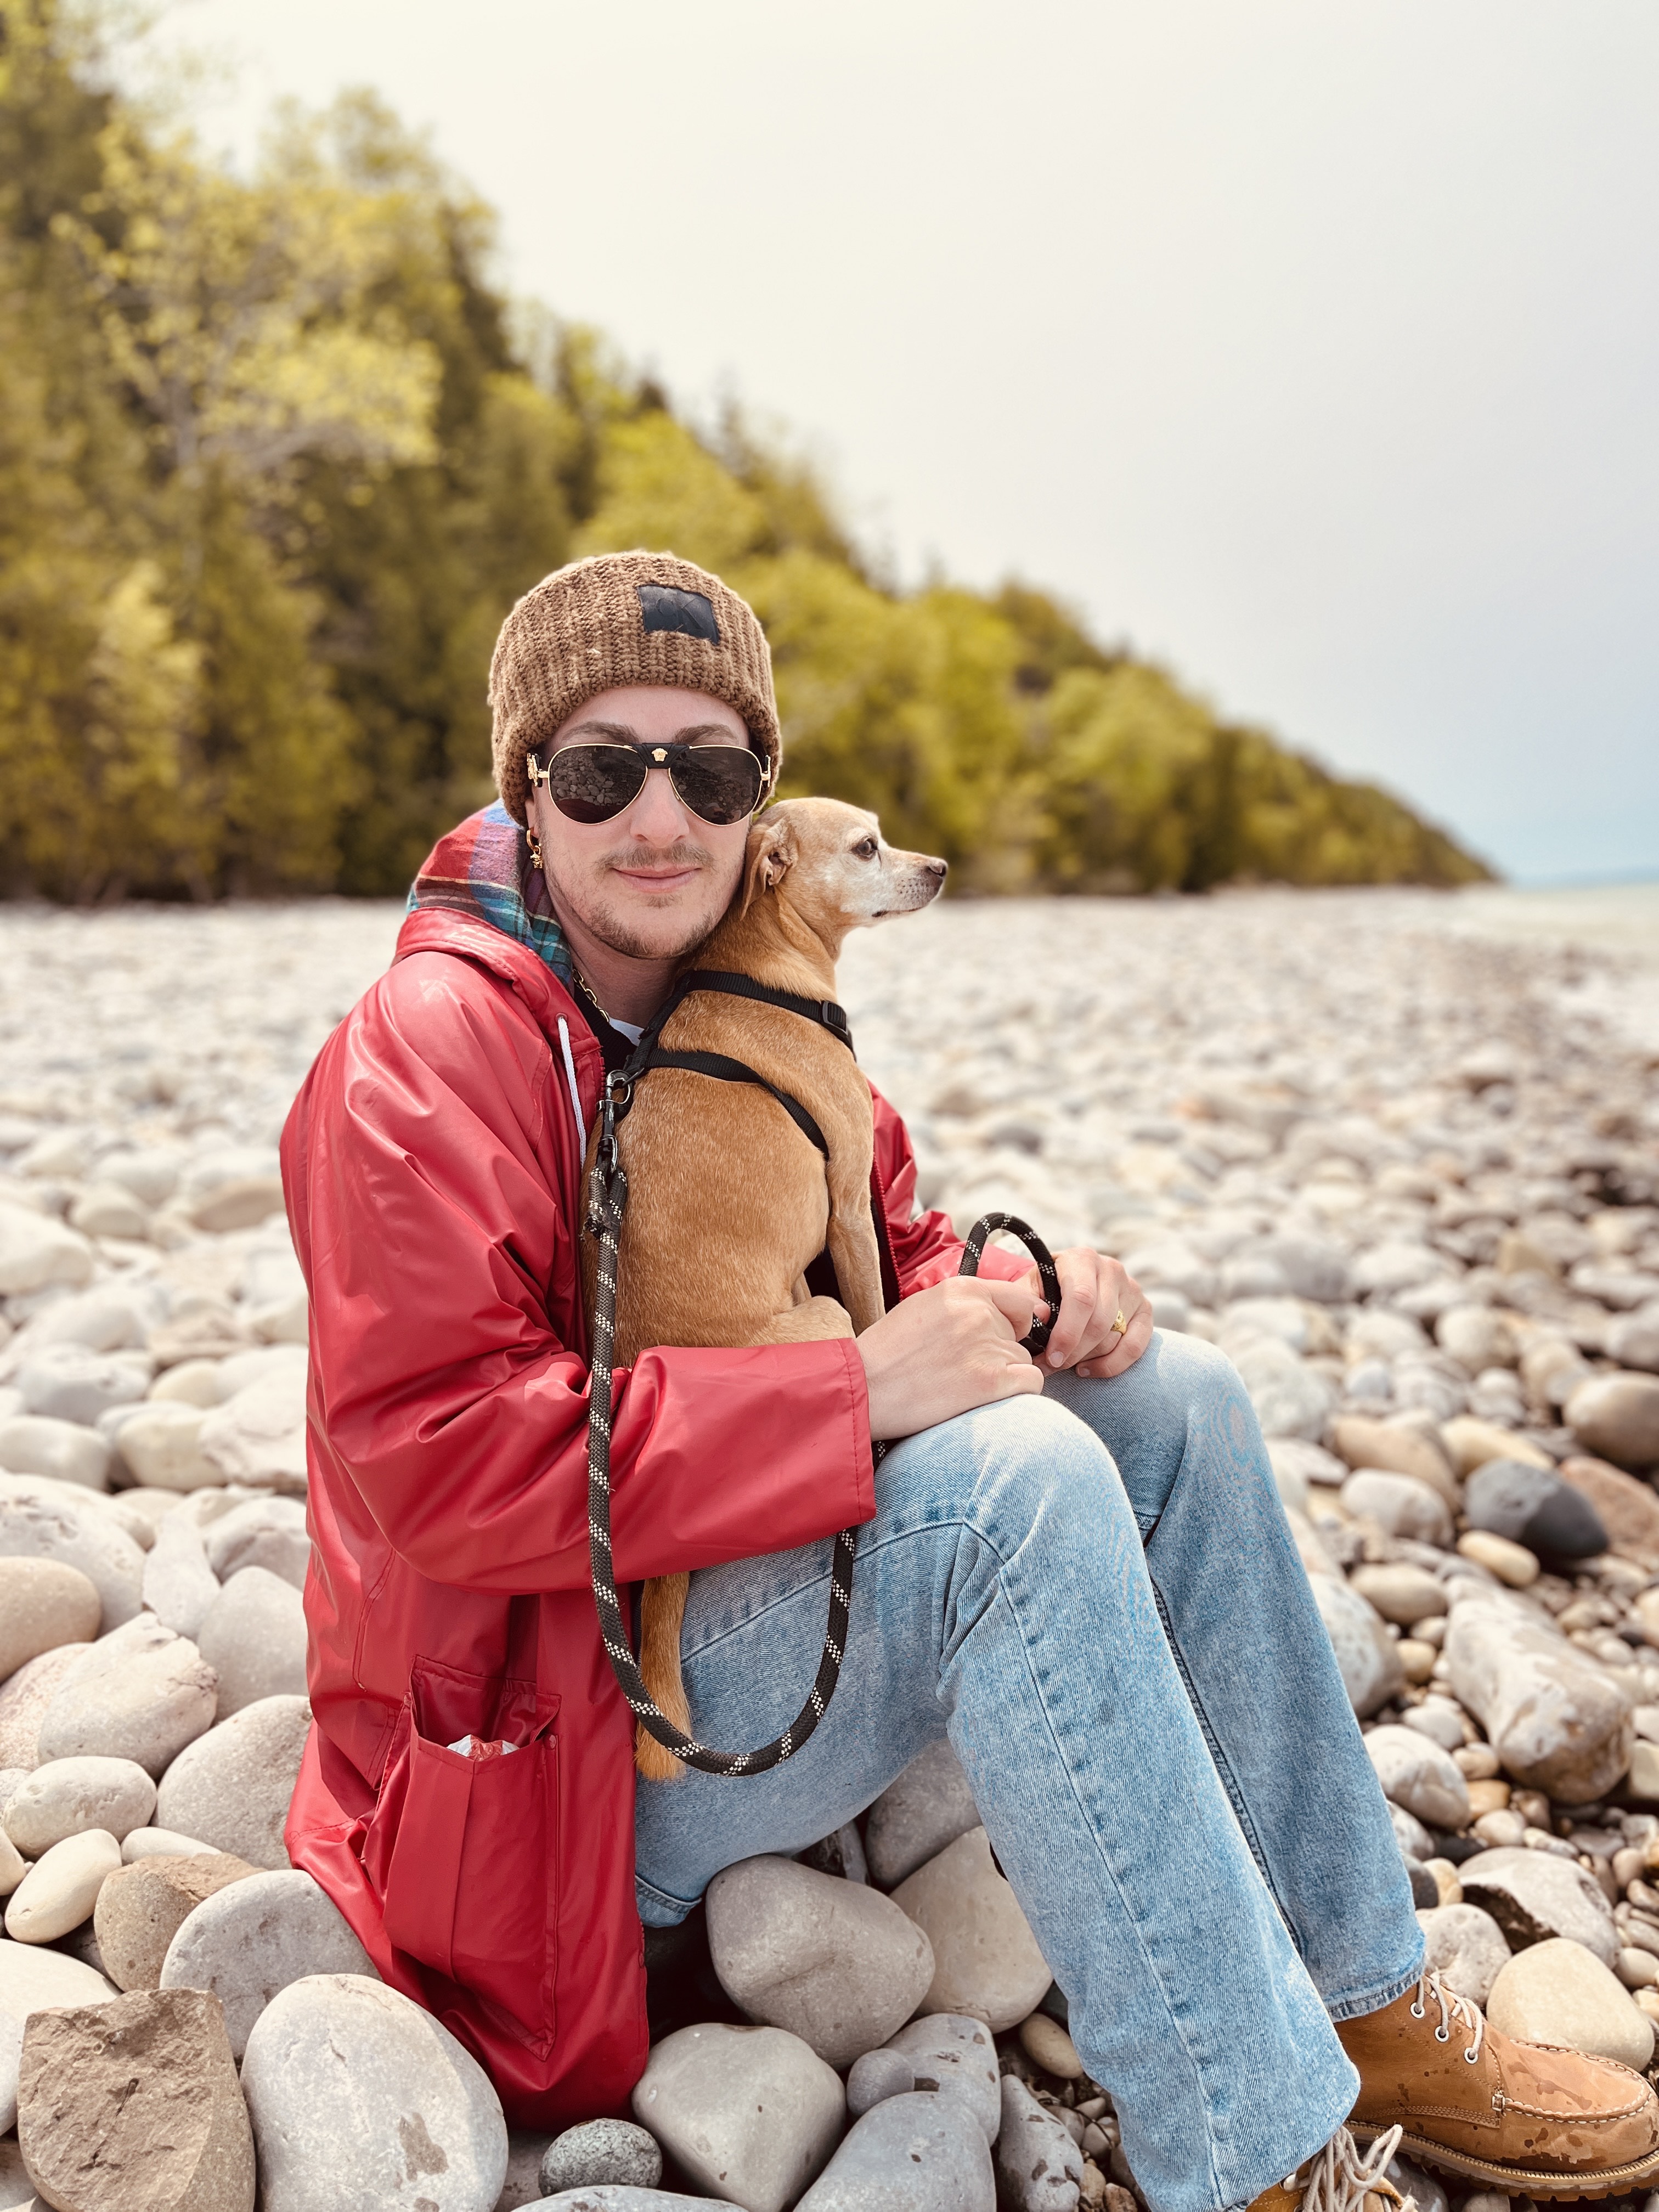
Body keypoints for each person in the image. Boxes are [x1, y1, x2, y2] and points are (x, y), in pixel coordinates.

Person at [280, 552, 1658, 2212]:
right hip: (552, 1762)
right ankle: (1253, 2157)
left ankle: (1369, 2002)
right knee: (1023, 1497)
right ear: (528, 787)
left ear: (763, 804)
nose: (662, 817)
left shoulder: (749, 998)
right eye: (602, 769)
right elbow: (445, 1472)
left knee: (1178, 1404)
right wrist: (856, 1395)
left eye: (710, 771)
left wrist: (1025, 1301)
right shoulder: (428, 1054)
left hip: (697, 1626)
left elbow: (889, 1247)